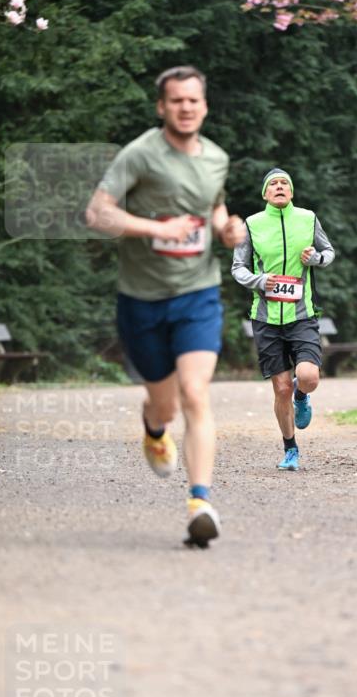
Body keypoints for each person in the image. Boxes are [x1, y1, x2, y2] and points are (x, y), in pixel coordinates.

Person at [85, 65, 245, 547]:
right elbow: (97, 212)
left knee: (196, 393)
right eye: (176, 100)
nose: (185, 108)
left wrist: (226, 229)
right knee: (165, 403)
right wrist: (158, 229)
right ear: (162, 106)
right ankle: (155, 429)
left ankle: (200, 502)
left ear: (205, 106)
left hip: (197, 292)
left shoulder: (216, 158)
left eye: (193, 100)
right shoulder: (140, 154)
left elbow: (212, 207)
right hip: (142, 299)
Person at [232, 168, 335, 471]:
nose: (279, 187)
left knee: (308, 377)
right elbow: (238, 267)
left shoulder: (308, 218)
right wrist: (260, 280)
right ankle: (290, 449)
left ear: (291, 191)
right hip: (265, 318)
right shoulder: (251, 224)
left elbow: (329, 252)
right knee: (280, 389)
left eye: (284, 183)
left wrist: (316, 258)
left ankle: (302, 396)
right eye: (273, 184)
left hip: (302, 314)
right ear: (265, 193)